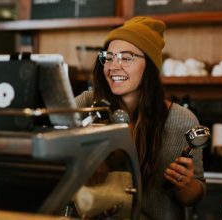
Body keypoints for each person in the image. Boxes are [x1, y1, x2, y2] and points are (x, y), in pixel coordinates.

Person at [75, 16, 205, 219]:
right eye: (108, 57)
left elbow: (193, 197)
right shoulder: (87, 104)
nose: (113, 66)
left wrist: (185, 184)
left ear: (150, 66)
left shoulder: (181, 120)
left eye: (126, 58)